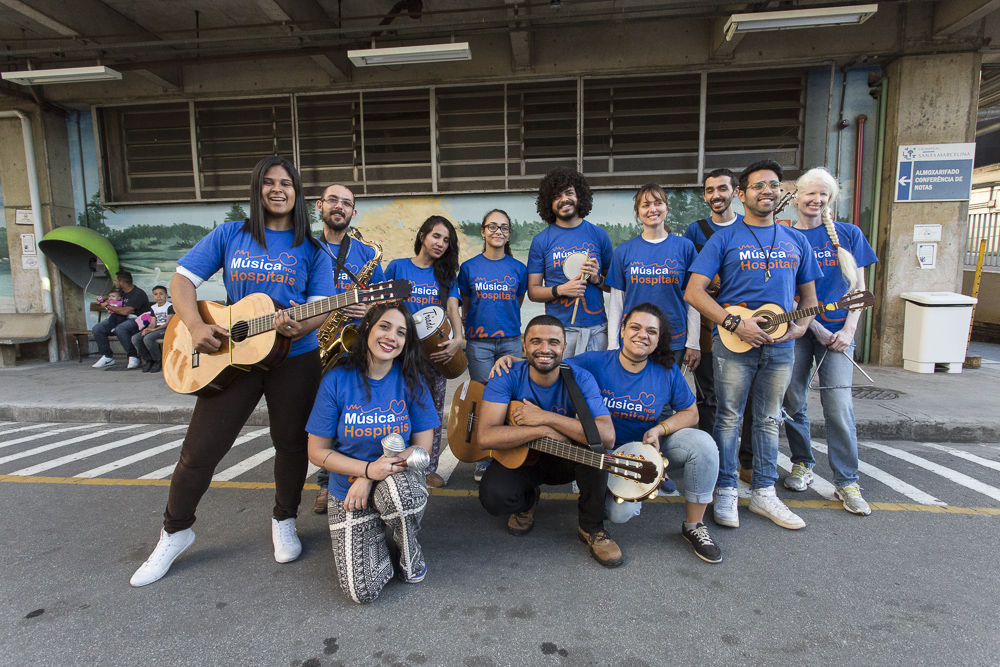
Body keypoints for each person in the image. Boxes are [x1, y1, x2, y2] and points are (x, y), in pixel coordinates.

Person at [129, 156, 336, 587]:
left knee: (292, 445)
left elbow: (320, 306)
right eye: (269, 182)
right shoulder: (230, 234)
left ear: (298, 194)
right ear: (257, 189)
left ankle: (284, 519)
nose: (278, 189)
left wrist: (301, 322)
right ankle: (175, 530)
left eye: (287, 183)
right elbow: (184, 280)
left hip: (293, 358)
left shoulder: (313, 250)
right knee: (199, 452)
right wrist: (194, 324)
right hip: (231, 355)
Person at [491, 304, 722, 563]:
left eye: (651, 331)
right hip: (606, 452)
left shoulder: (666, 372)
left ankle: (694, 525)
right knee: (619, 514)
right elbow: (549, 359)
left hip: (647, 448)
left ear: (659, 338)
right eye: (635, 327)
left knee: (703, 444)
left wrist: (660, 428)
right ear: (622, 329)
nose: (642, 335)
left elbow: (691, 413)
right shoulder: (594, 362)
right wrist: (513, 360)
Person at [685, 159, 822, 531]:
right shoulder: (724, 238)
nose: (768, 191)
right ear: (742, 195)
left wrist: (802, 325)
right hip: (733, 345)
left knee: (768, 419)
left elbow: (809, 295)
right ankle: (726, 489)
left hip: (780, 347)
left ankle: (763, 491)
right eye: (759, 186)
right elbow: (694, 291)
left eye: (774, 185)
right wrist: (734, 323)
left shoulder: (796, 240)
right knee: (729, 418)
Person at [306, 305, 439, 603]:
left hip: (397, 482)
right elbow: (316, 451)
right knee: (362, 591)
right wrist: (366, 471)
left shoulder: (412, 381)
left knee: (397, 498)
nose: (392, 336)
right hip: (349, 490)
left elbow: (422, 449)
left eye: (401, 332)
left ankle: (409, 550)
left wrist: (373, 474)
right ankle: (378, 529)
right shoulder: (336, 381)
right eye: (384, 327)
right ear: (367, 328)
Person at [476, 315, 622, 568]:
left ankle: (592, 528)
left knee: (596, 454)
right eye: (536, 341)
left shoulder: (581, 378)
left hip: (564, 459)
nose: (545, 349)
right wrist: (541, 429)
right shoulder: (507, 373)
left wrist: (544, 417)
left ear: (564, 347)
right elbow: (485, 436)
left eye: (553, 342)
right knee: (494, 498)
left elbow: (607, 436)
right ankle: (528, 501)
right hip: (521, 457)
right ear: (524, 345)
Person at [781, 167, 878, 515]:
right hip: (800, 332)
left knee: (838, 408)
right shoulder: (785, 236)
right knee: (794, 401)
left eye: (823, 195)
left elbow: (860, 290)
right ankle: (803, 463)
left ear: (830, 199)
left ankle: (847, 481)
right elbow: (784, 291)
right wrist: (814, 327)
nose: (816, 200)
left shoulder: (850, 235)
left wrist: (849, 330)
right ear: (796, 197)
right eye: (810, 193)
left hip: (840, 335)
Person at [312, 183, 386, 514]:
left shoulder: (366, 254)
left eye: (347, 203)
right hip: (310, 344)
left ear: (353, 213)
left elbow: (384, 298)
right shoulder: (305, 248)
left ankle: (343, 479)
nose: (339, 206)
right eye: (333, 200)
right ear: (320, 206)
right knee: (321, 420)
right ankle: (326, 480)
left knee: (348, 418)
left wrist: (368, 310)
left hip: (352, 346)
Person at [384, 215, 464, 488]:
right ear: (422, 236)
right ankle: (395, 461)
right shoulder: (397, 267)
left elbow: (453, 309)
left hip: (432, 356)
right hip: (400, 354)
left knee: (431, 411)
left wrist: (457, 339)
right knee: (397, 409)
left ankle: (428, 467)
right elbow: (382, 306)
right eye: (436, 236)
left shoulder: (446, 277)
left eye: (446, 240)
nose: (441, 243)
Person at [458, 209, 528, 483]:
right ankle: (485, 457)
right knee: (484, 399)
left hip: (510, 340)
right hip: (479, 343)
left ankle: (509, 452)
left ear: (509, 233)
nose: (498, 232)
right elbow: (465, 303)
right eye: (492, 227)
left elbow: (516, 302)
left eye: (504, 228)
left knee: (511, 396)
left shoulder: (518, 268)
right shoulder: (469, 268)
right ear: (483, 231)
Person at [606, 183, 700, 370]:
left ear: (666, 208)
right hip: (634, 340)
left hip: (674, 339)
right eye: (646, 205)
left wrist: (693, 342)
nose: (652, 209)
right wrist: (613, 344)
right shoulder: (624, 251)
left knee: (667, 396)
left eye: (658, 203)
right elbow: (617, 303)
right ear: (637, 211)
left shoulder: (685, 247)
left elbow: (693, 300)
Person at [681, 169, 744, 435]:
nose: (716, 195)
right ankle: (711, 454)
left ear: (735, 192)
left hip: (744, 324)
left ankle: (743, 458)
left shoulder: (748, 227)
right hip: (708, 325)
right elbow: (690, 286)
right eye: (710, 190)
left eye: (722, 188)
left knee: (741, 397)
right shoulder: (695, 231)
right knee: (708, 395)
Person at [526, 168, 613, 356]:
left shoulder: (599, 235)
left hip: (597, 328)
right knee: (563, 383)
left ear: (579, 196)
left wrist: (596, 278)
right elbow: (533, 291)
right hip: (558, 329)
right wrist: (561, 290)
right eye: (557, 196)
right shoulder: (542, 240)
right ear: (549, 203)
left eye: (569, 193)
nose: (564, 199)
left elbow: (613, 286)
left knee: (596, 385)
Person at [91, 271, 151, 370]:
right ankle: (107, 357)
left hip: (137, 320)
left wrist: (107, 306)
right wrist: (103, 300)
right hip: (118, 318)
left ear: (122, 282)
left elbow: (126, 311)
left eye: (115, 280)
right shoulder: (121, 292)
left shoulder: (138, 294)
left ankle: (133, 356)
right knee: (98, 328)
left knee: (121, 328)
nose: (114, 282)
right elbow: (115, 301)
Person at [131, 284, 173, 373]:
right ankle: (148, 359)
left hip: (167, 329)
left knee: (148, 338)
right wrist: (148, 329)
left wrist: (153, 331)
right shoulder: (154, 308)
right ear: (153, 296)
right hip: (156, 328)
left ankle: (158, 360)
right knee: (136, 338)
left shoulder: (170, 306)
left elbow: (168, 323)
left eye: (161, 294)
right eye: (156, 294)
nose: (159, 296)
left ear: (166, 295)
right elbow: (153, 323)